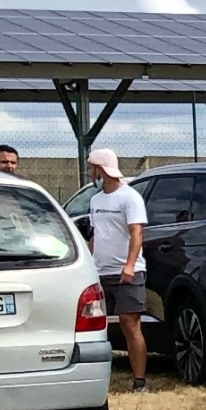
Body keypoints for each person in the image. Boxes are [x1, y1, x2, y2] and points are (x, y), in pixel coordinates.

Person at [86, 148, 149, 393]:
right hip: (99, 273)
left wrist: (130, 265)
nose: (90, 171)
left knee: (129, 323)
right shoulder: (95, 200)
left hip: (126, 272)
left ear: (101, 169)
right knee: (94, 325)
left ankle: (139, 381)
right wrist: (88, 263)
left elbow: (137, 233)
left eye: (92, 166)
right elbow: (95, 236)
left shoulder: (130, 197)